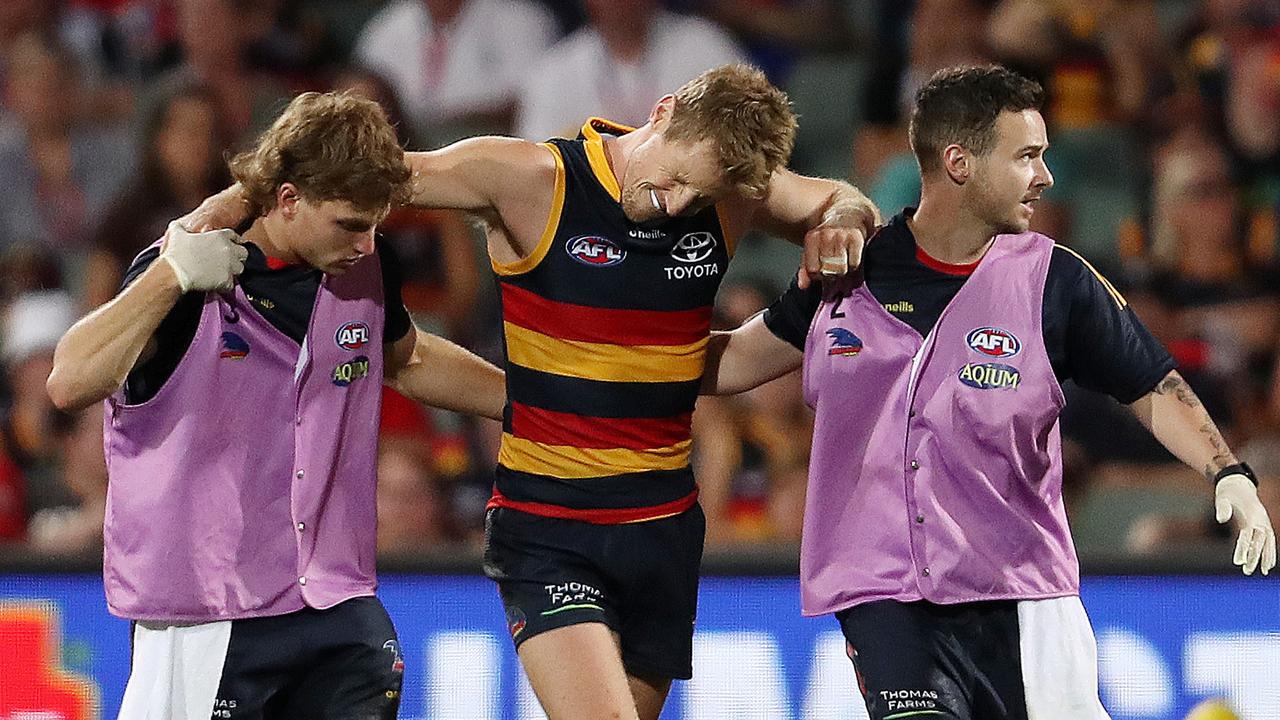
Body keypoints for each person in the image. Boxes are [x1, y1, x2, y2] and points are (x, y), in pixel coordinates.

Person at [187, 63, 878, 720]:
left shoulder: (727, 191)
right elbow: (366, 171)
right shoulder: (526, 178)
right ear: (662, 113)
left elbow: (835, 199)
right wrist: (241, 196)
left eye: (700, 197)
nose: (680, 206)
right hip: (549, 524)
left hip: (662, 527)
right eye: (674, 183)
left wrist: (845, 216)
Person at [699, 65, 1276, 720]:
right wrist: (614, 341)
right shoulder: (847, 273)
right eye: (1027, 156)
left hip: (1023, 598)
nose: (1046, 177)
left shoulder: (1056, 282)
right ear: (959, 162)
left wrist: (1227, 471)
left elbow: (1150, 383)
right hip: (883, 592)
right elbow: (734, 362)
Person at [46, 91, 505, 720]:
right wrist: (168, 275)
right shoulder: (186, 271)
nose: (366, 244)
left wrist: (534, 403)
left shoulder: (363, 268)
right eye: (349, 223)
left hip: (335, 603)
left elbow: (408, 358)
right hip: (210, 611)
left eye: (376, 225)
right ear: (289, 199)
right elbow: (69, 381)